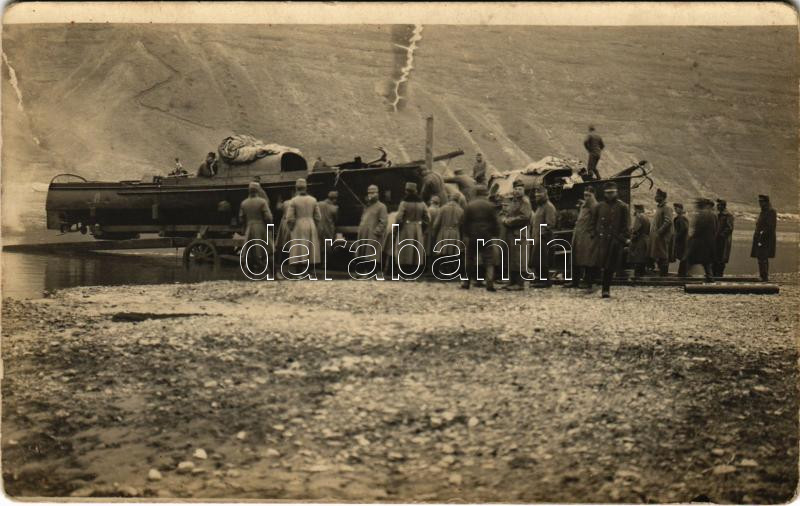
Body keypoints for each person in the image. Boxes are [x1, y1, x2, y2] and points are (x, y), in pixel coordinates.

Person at [592, 181, 630, 298]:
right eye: (608, 193)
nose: (610, 195)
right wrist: (595, 235)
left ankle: (605, 289)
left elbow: (626, 226)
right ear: (604, 193)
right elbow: (594, 223)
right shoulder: (599, 206)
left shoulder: (623, 207)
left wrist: (621, 239)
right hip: (602, 240)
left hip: (614, 240)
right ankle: (593, 284)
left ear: (616, 192)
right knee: (600, 264)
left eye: (612, 192)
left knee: (609, 266)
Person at [461, 184, 500, 291]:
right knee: (489, 260)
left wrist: (466, 234)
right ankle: (490, 284)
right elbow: (495, 221)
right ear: (485, 194)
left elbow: (464, 222)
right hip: (486, 236)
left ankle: (466, 283)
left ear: (476, 193)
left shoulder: (470, 205)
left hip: (473, 236)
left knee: (470, 259)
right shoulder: (490, 206)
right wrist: (495, 233)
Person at [285, 179, 322, 273]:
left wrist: (291, 227)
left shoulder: (293, 200)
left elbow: (289, 217)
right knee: (310, 245)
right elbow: (318, 216)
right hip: (310, 223)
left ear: (296, 188)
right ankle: (310, 270)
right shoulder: (313, 200)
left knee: (299, 246)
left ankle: (299, 270)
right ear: (306, 187)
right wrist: (314, 224)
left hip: (298, 224)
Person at [391, 182, 430, 274]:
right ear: (415, 191)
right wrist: (423, 226)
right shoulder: (422, 203)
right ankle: (415, 270)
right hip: (418, 228)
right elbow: (427, 218)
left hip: (406, 228)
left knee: (405, 249)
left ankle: (404, 269)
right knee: (416, 249)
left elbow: (399, 218)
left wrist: (396, 228)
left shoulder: (404, 203)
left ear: (406, 191)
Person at [501, 181, 533, 290]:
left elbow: (525, 217)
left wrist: (508, 221)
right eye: (516, 189)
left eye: (520, 189)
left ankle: (519, 284)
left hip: (520, 233)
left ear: (523, 190)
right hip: (512, 233)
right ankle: (512, 281)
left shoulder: (525, 201)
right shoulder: (515, 201)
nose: (517, 191)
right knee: (512, 258)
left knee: (519, 258)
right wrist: (505, 218)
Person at [568, 187, 598, 288]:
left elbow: (596, 221)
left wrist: (592, 233)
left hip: (587, 236)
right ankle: (575, 281)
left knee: (587, 259)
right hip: (578, 235)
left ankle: (587, 281)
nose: (587, 197)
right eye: (585, 195)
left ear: (594, 195)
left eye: (589, 195)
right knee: (575, 258)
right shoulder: (584, 206)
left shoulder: (595, 206)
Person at [239, 182, 274, 268]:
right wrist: (269, 225)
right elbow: (268, 217)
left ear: (249, 191)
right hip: (261, 227)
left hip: (249, 228)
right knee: (268, 250)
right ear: (258, 190)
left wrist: (245, 226)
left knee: (250, 251)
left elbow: (241, 218)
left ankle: (251, 273)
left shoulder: (244, 203)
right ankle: (274, 272)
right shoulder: (262, 201)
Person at [431, 192, 464, 276]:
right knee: (453, 252)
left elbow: (436, 224)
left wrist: (434, 233)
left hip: (443, 231)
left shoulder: (443, 208)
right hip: (455, 233)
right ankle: (451, 271)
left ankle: (441, 270)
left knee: (442, 252)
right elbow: (463, 225)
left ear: (450, 198)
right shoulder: (461, 210)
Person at [530, 185, 557, 288]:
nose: (537, 196)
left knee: (543, 260)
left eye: (539, 194)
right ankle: (539, 278)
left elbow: (550, 223)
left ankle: (545, 281)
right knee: (537, 259)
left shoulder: (549, 207)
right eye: (536, 194)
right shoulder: (540, 207)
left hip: (544, 239)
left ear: (545, 194)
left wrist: (542, 234)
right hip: (537, 237)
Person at [355, 184, 389, 267]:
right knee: (363, 256)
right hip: (364, 235)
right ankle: (363, 271)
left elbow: (383, 222)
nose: (371, 195)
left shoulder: (382, 206)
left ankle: (371, 271)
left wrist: (376, 232)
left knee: (371, 256)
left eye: (373, 193)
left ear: (377, 193)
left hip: (373, 236)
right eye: (369, 193)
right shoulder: (367, 206)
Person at [687, 198, 717, 282]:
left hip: (700, 242)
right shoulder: (712, 215)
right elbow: (715, 229)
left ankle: (685, 275)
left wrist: (692, 237)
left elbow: (698, 229)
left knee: (691, 258)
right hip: (709, 242)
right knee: (706, 262)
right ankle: (710, 277)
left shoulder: (702, 214)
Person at [751, 194, 777, 282]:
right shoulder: (763, 211)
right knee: (761, 257)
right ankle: (763, 276)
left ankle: (764, 277)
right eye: (759, 201)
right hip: (761, 238)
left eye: (762, 201)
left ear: (766, 202)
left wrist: (761, 236)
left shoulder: (771, 212)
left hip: (766, 239)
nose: (760, 203)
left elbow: (770, 227)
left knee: (763, 257)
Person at [649, 188, 674, 276]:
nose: (655, 197)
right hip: (658, 237)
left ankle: (664, 275)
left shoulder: (667, 208)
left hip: (663, 237)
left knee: (663, 256)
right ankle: (661, 274)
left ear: (662, 197)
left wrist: (659, 232)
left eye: (657, 196)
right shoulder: (659, 208)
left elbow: (668, 221)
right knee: (659, 255)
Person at [713, 199, 735, 277]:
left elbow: (730, 228)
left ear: (723, 206)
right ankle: (715, 275)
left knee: (721, 259)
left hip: (723, 241)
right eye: (717, 205)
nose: (717, 206)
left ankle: (719, 276)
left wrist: (721, 235)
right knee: (715, 258)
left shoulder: (728, 215)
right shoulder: (718, 215)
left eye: (719, 205)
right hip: (717, 240)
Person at [629, 204, 651, 278]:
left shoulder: (639, 217)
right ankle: (641, 276)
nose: (635, 211)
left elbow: (636, 229)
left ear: (638, 209)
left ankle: (637, 277)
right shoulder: (646, 217)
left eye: (635, 209)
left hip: (640, 240)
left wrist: (632, 238)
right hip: (646, 239)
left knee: (638, 259)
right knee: (643, 259)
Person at [672, 203, 690, 277]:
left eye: (677, 208)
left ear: (681, 209)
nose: (675, 210)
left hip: (682, 240)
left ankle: (682, 273)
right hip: (682, 240)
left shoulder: (682, 218)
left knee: (683, 256)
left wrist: (677, 237)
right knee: (682, 256)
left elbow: (683, 229)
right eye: (675, 208)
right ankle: (682, 273)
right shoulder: (680, 218)